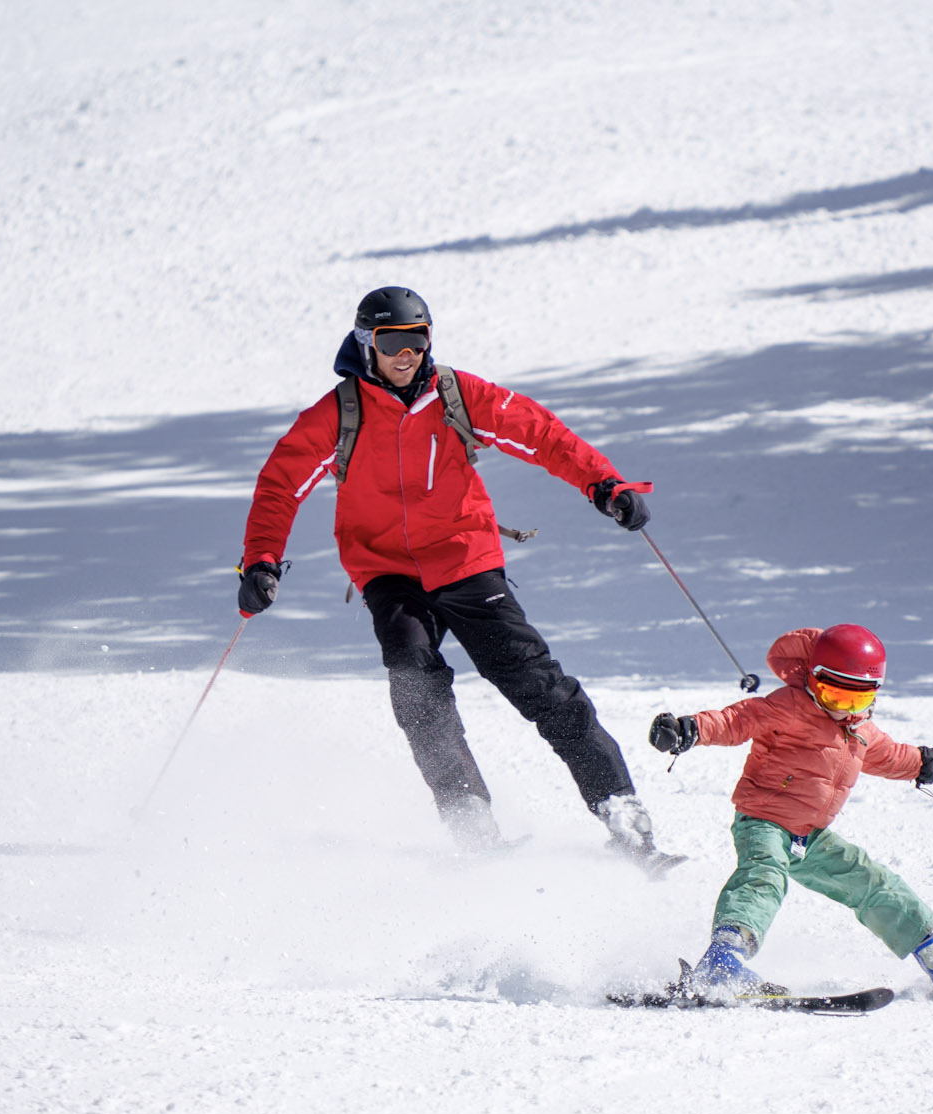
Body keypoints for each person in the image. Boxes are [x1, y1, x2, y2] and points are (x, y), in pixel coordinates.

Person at [237, 285, 676, 870]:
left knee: (540, 686)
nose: (407, 354)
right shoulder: (338, 414)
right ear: (367, 342)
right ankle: (472, 825)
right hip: (388, 570)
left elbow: (540, 434)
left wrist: (605, 484)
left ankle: (623, 817)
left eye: (418, 340)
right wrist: (261, 561)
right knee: (415, 686)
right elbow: (279, 484)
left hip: (466, 559)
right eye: (393, 341)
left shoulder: (456, 395)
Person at [647, 623, 933, 1006]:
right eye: (832, 695)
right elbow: (736, 719)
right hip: (764, 821)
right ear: (812, 679)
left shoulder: (860, 730)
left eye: (855, 701)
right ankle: (723, 962)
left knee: (872, 882)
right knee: (763, 877)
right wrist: (687, 730)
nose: (843, 709)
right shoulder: (786, 707)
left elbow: (894, 757)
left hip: (811, 836)